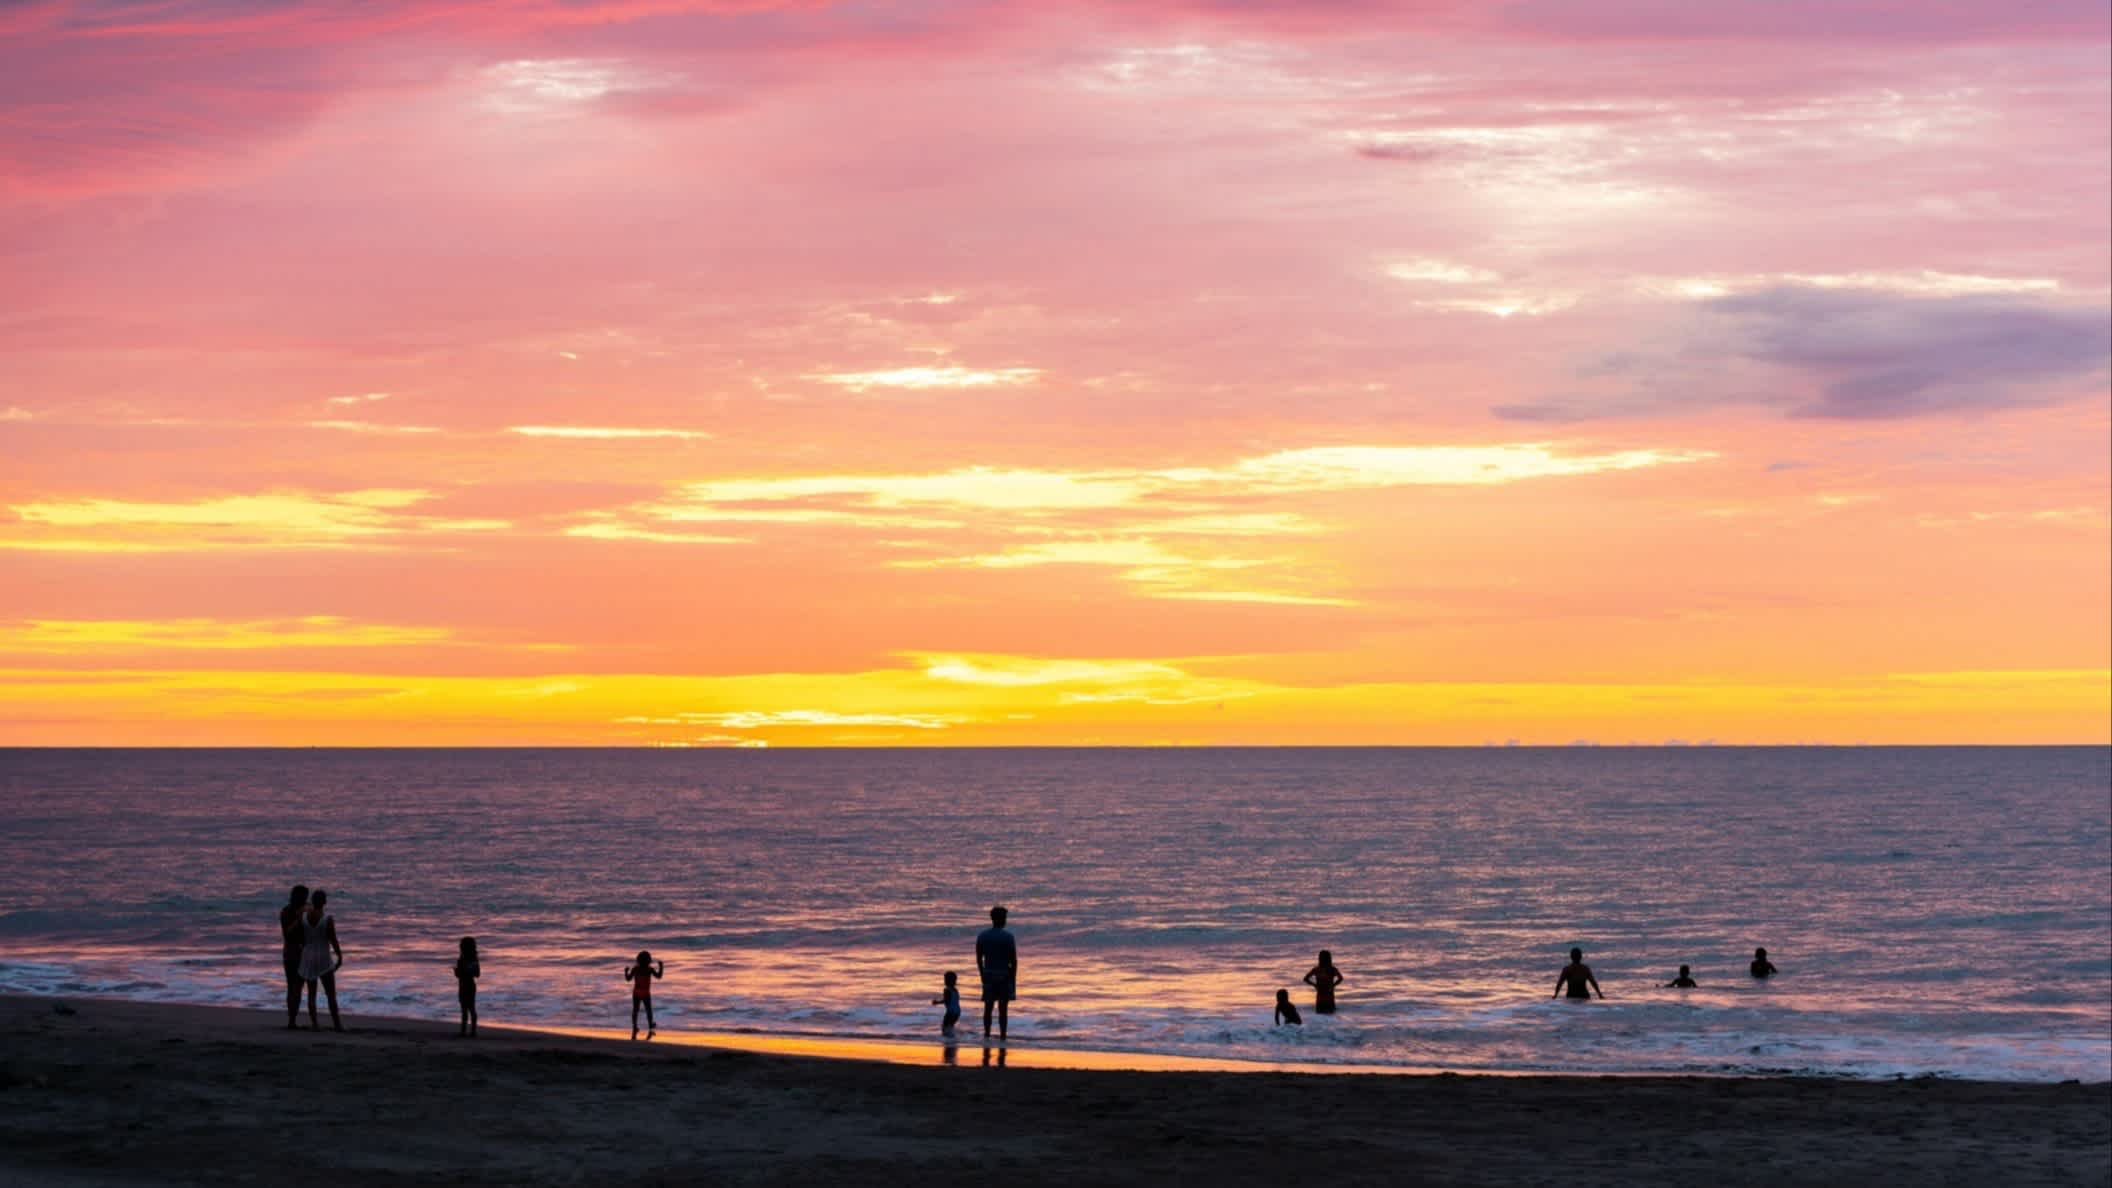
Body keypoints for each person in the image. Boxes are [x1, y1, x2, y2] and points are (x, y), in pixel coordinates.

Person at [297, 889, 344, 1031]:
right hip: (323, 957)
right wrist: (339, 956)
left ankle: (315, 1024)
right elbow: (333, 939)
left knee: (312, 993)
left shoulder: (303, 917)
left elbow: (301, 937)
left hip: (307, 956)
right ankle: (337, 1024)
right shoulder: (327, 918)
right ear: (324, 902)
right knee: (330, 993)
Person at [975, 906, 1017, 1040]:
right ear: (1002, 919)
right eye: (1005, 918)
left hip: (988, 974)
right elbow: (1013, 960)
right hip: (1004, 974)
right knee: (1003, 1009)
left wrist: (982, 974)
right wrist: (1013, 979)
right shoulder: (1008, 937)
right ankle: (1003, 1036)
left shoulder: (983, 936)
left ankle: (987, 1034)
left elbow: (979, 958)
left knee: (988, 1007)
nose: (1005, 920)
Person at [278, 885, 309, 1030]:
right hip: (291, 952)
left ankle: (293, 1018)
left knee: (298, 987)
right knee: (293, 986)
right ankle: (292, 1019)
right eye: (303, 897)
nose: (305, 900)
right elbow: (287, 934)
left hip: (302, 952)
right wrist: (299, 917)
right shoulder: (286, 912)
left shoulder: (306, 909)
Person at [624, 950, 663, 1038]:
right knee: (648, 1010)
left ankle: (634, 1026)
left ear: (638, 960)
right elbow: (659, 976)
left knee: (635, 1010)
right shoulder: (649, 969)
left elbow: (628, 979)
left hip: (636, 992)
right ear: (649, 960)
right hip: (645, 993)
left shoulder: (635, 969)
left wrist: (626, 972)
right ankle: (650, 1025)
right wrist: (661, 967)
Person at [1303, 950, 1344, 1014]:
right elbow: (1340, 978)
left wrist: (1315, 985)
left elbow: (1306, 979)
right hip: (1327, 996)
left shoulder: (1317, 969)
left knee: (1320, 1016)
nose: (1319, 958)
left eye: (1320, 957)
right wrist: (1333, 985)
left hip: (1323, 997)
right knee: (1330, 1017)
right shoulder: (1331, 969)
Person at [454, 937, 481, 1037]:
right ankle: (472, 1031)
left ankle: (464, 1031)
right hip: (470, 985)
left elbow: (461, 975)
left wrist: (457, 972)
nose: (459, 946)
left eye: (461, 944)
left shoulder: (462, 959)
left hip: (464, 985)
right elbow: (477, 974)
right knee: (471, 1008)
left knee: (465, 1009)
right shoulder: (474, 959)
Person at [931, 970, 962, 1035]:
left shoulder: (947, 990)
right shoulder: (955, 990)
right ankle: (951, 1037)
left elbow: (946, 1000)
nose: (944, 981)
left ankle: (948, 1039)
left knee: (945, 1026)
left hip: (951, 1012)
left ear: (947, 981)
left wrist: (937, 1002)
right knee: (950, 1026)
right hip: (957, 1012)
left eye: (945, 979)